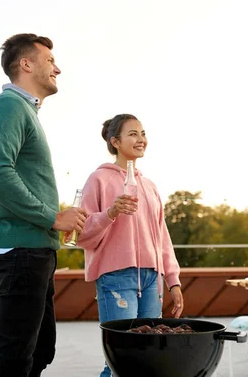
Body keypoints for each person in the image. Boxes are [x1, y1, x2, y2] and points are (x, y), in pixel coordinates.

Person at [0, 33, 87, 377]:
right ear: (26, 64)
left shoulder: (25, 111)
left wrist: (54, 223)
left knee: (40, 350)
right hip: (19, 250)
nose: (58, 68)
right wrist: (52, 217)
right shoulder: (8, 106)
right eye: (50, 61)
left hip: (33, 249)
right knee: (14, 359)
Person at [76, 114, 184, 377]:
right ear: (115, 141)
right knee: (121, 356)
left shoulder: (149, 185)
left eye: (143, 133)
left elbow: (162, 236)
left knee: (148, 355)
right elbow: (83, 234)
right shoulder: (98, 179)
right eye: (133, 134)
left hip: (151, 279)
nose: (141, 139)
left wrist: (173, 280)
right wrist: (111, 213)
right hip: (116, 277)